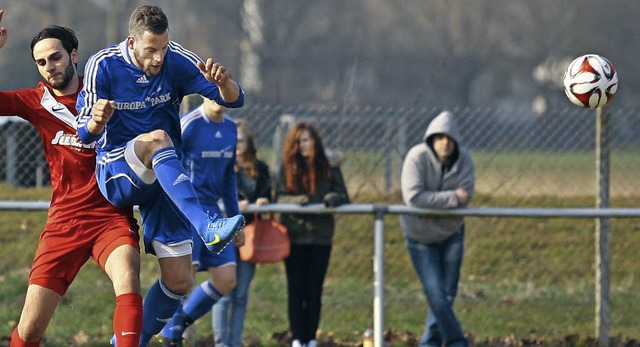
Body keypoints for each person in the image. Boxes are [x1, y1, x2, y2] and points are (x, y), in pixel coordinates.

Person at [74, 5, 245, 346]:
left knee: (180, 281)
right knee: (158, 139)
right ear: (132, 42)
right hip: (118, 172)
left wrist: (224, 83)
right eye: (151, 49)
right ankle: (206, 226)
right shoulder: (103, 64)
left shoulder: (177, 59)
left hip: (165, 178)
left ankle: (127, 342)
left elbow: (236, 100)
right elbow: (84, 135)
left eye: (163, 48)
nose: (158, 57)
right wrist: (96, 121)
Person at [0, 12, 143, 347]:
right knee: (31, 330)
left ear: (74, 55)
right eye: (41, 62)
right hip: (65, 221)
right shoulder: (37, 102)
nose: (50, 66)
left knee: (129, 277)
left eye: (56, 57)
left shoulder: (107, 93)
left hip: (110, 215)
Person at [159, 98, 245, 347]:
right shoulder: (189, 125)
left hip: (214, 213)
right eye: (213, 91)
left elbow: (229, 177)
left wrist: (234, 217)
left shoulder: (231, 129)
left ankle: (178, 323)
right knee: (184, 279)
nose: (219, 97)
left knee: (227, 278)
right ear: (204, 92)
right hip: (188, 210)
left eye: (224, 91)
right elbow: (168, 168)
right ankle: (170, 337)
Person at [400, 110, 475, 347]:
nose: (444, 143)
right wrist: (452, 198)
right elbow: (414, 197)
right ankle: (456, 341)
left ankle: (429, 342)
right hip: (419, 236)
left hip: (451, 233)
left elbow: (468, 193)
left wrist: (438, 200)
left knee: (448, 293)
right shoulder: (416, 157)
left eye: (449, 138)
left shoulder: (465, 161)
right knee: (435, 291)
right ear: (431, 139)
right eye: (440, 137)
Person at [276, 122, 350, 347]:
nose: (304, 145)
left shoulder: (329, 167)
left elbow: (344, 195)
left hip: (320, 237)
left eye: (308, 140)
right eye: (299, 141)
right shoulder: (286, 168)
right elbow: (278, 197)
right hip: (293, 237)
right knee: (296, 289)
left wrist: (332, 200)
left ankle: (311, 339)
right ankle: (298, 338)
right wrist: (298, 201)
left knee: (314, 290)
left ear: (316, 141)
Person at [212, 120, 272, 347]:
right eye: (232, 138)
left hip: (251, 236)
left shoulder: (261, 168)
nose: (236, 144)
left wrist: (263, 202)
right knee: (224, 292)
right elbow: (212, 197)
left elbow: (269, 194)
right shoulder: (219, 164)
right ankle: (221, 343)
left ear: (249, 142)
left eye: (240, 139)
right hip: (226, 234)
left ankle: (235, 342)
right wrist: (235, 205)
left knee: (241, 296)